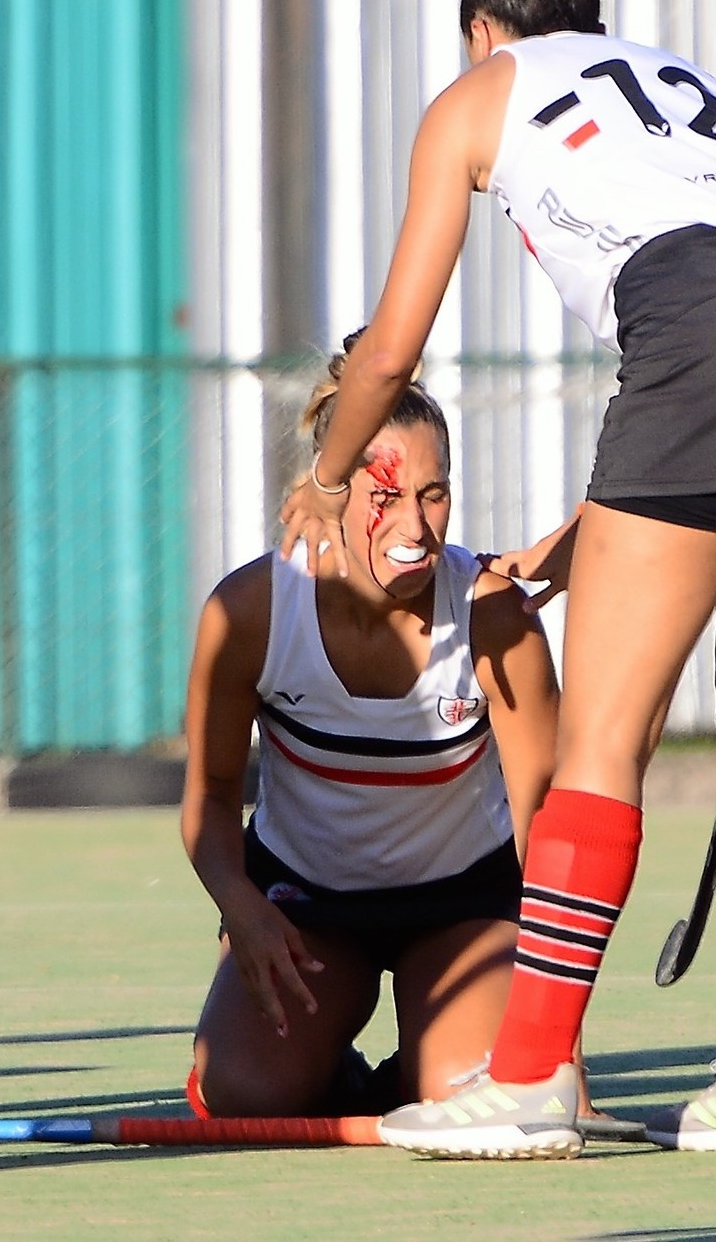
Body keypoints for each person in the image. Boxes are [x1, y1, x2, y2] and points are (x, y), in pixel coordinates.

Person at [277, 0, 716, 1158]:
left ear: (482, 35)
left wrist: (332, 473)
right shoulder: (678, 74)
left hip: (696, 358)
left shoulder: (477, 98)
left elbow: (393, 348)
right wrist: (593, 522)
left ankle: (532, 1076)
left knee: (604, 747)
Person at [181, 335, 561, 1117]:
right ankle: (338, 1073)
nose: (414, 528)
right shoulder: (249, 611)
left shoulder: (494, 616)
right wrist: (243, 910)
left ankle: (421, 1069)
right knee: (243, 1092)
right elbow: (211, 798)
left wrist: (557, 1026)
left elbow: (548, 822)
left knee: (472, 1093)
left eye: (434, 493)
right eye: (385, 496)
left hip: (464, 903)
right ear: (333, 494)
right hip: (306, 902)